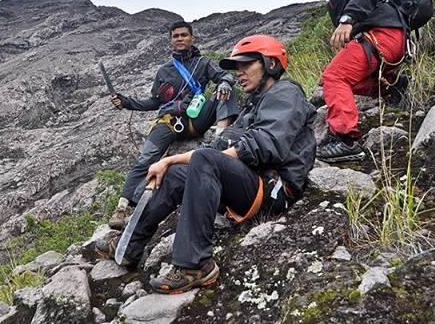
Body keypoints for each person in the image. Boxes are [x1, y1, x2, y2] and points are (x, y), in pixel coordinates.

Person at [96, 35, 316, 294]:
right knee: (177, 173)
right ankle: (129, 246)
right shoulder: (255, 102)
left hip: (273, 188)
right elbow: (220, 149)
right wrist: (169, 161)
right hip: (249, 181)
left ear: (270, 64)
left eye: (246, 65)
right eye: (236, 68)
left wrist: (190, 157)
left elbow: (266, 145)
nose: (239, 73)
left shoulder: (285, 93)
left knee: (202, 159)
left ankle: (195, 265)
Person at [108, 21, 239, 230]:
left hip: (195, 119)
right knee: (145, 159)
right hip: (169, 121)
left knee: (226, 90)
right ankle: (122, 208)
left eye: (184, 35)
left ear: (192, 38)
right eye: (176, 36)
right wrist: (127, 102)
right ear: (171, 40)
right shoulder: (164, 71)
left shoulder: (203, 63)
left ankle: (222, 137)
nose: (180, 38)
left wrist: (225, 81)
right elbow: (154, 101)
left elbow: (225, 75)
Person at [303, 0, 407, 163]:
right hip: (387, 37)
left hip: (382, 34)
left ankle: (346, 140)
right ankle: (394, 88)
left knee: (334, 77)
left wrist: (347, 19)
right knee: (344, 81)